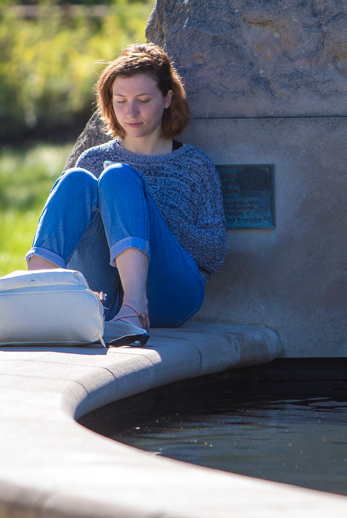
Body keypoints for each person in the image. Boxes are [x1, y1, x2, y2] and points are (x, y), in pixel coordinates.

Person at [25, 44, 226, 341]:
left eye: (143, 100)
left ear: (167, 98)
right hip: (102, 292)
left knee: (119, 177)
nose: (131, 112)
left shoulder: (194, 164)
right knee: (76, 179)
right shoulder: (92, 159)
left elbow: (214, 252)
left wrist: (147, 217)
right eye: (120, 101)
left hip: (169, 295)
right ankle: (36, 297)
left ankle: (135, 309)